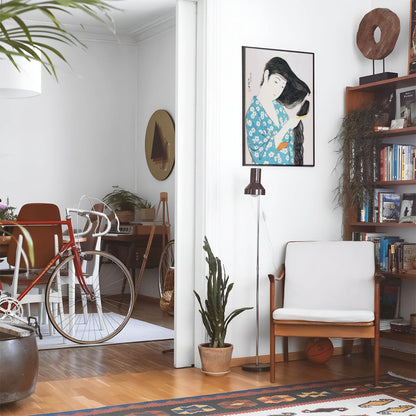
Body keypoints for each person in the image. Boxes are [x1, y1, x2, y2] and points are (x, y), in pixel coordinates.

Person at [246, 57, 310, 165]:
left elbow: (289, 148)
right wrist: (287, 127)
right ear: (266, 75)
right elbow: (260, 156)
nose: (278, 90)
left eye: (282, 86)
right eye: (276, 82)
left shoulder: (279, 109)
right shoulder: (253, 112)